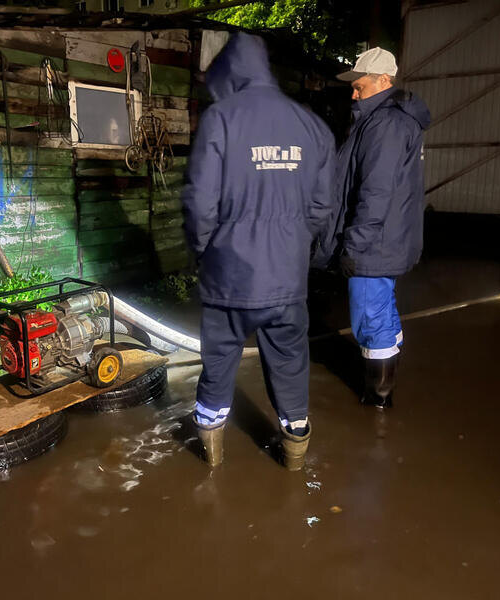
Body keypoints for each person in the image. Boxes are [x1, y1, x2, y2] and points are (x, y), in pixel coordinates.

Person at [182, 32, 337, 469]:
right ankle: (294, 461)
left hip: (226, 279)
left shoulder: (221, 119)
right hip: (287, 279)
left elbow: (200, 203)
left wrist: (203, 251)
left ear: (229, 71)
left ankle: (211, 463)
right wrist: (292, 246)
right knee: (290, 365)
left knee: (217, 368)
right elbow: (323, 205)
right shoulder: (312, 125)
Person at [314, 47, 431, 409]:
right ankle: (383, 382)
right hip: (386, 240)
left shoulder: (386, 124)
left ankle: (377, 398)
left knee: (370, 317)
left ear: (383, 81)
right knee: (382, 310)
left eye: (359, 87)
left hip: (375, 244)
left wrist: (355, 246)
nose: (353, 93)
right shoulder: (382, 120)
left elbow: (376, 192)